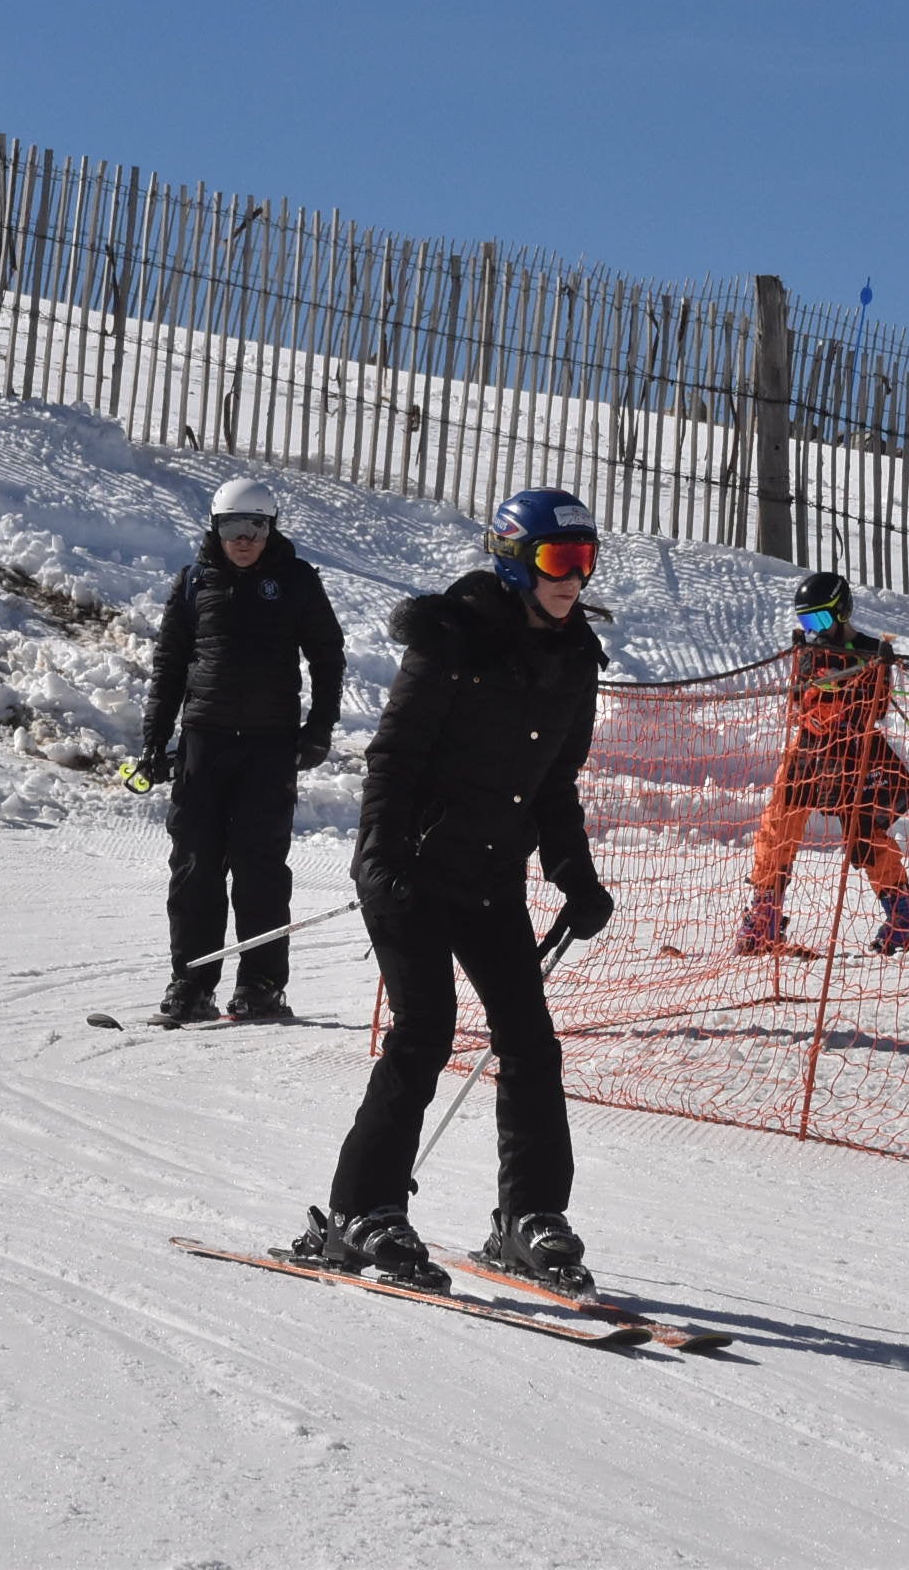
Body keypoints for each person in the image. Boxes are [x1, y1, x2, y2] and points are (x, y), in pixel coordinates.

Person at [288, 487, 618, 1295]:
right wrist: (385, 859)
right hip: (409, 870)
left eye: (584, 560)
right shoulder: (451, 641)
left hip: (489, 876)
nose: (573, 578)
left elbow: (555, 786)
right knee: (424, 1031)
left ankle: (529, 1218)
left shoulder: (576, 658)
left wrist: (573, 875)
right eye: (557, 560)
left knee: (532, 1044)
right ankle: (363, 1214)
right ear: (513, 561)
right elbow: (393, 761)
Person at [135, 478, 345, 1026]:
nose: (245, 538)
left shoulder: (296, 582)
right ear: (215, 527)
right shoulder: (192, 583)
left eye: (255, 526)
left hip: (269, 747)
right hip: (203, 742)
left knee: (260, 871)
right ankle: (191, 981)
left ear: (270, 529)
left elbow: (328, 656)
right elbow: (168, 669)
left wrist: (318, 728)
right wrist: (154, 742)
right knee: (195, 867)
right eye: (233, 527)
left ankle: (260, 986)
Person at [737, 570, 909, 958]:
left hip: (851, 754)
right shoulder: (807, 651)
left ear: (842, 613)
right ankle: (765, 914)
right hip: (809, 752)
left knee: (865, 836)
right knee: (778, 825)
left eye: (821, 620)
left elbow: (875, 706)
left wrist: (866, 680)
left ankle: (902, 920)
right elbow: (799, 701)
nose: (814, 630)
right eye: (807, 622)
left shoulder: (869, 650)